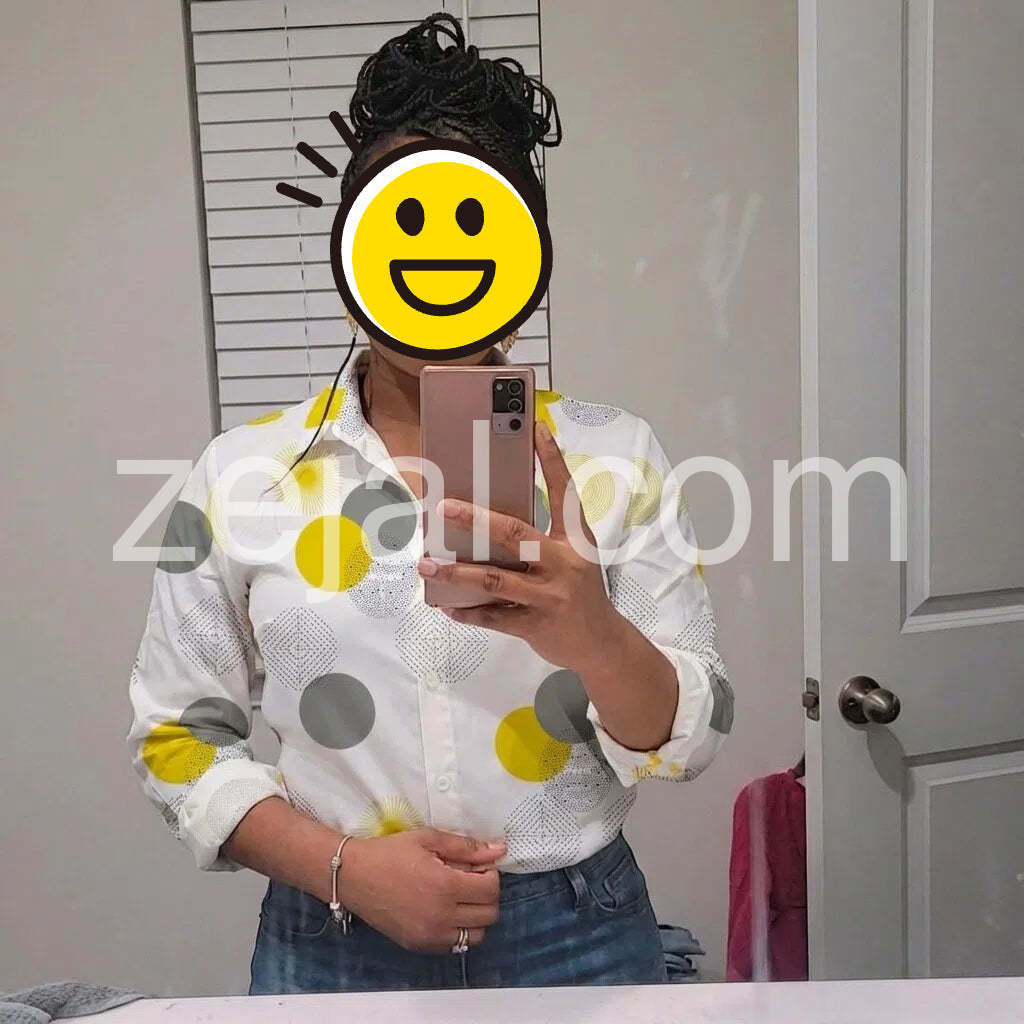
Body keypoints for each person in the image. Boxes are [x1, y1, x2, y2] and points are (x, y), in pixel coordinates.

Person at [127, 13, 733, 994]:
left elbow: (688, 736)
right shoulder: (244, 474)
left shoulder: (611, 457)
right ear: (351, 251)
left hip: (579, 933)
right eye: (406, 217)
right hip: (329, 930)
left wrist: (594, 634)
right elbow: (176, 735)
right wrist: (347, 869)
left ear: (524, 253)